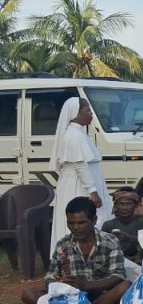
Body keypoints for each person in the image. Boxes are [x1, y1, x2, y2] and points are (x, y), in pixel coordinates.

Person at [22, 197, 128, 304]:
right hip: (71, 296)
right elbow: (51, 276)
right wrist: (57, 284)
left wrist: (86, 285)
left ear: (94, 220)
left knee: (125, 286)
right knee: (28, 294)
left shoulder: (109, 241)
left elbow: (118, 276)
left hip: (101, 294)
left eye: (81, 223)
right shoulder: (63, 244)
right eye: (71, 223)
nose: (76, 228)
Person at [50, 96, 112, 248]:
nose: (91, 114)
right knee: (81, 220)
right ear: (75, 113)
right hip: (78, 187)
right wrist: (93, 191)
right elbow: (80, 165)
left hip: (84, 184)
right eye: (87, 110)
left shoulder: (80, 133)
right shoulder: (74, 135)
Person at [101, 188, 143, 263]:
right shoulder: (108, 225)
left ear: (135, 205)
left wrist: (129, 238)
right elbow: (102, 249)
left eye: (129, 204)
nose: (124, 208)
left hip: (139, 262)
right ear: (115, 205)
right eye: (121, 204)